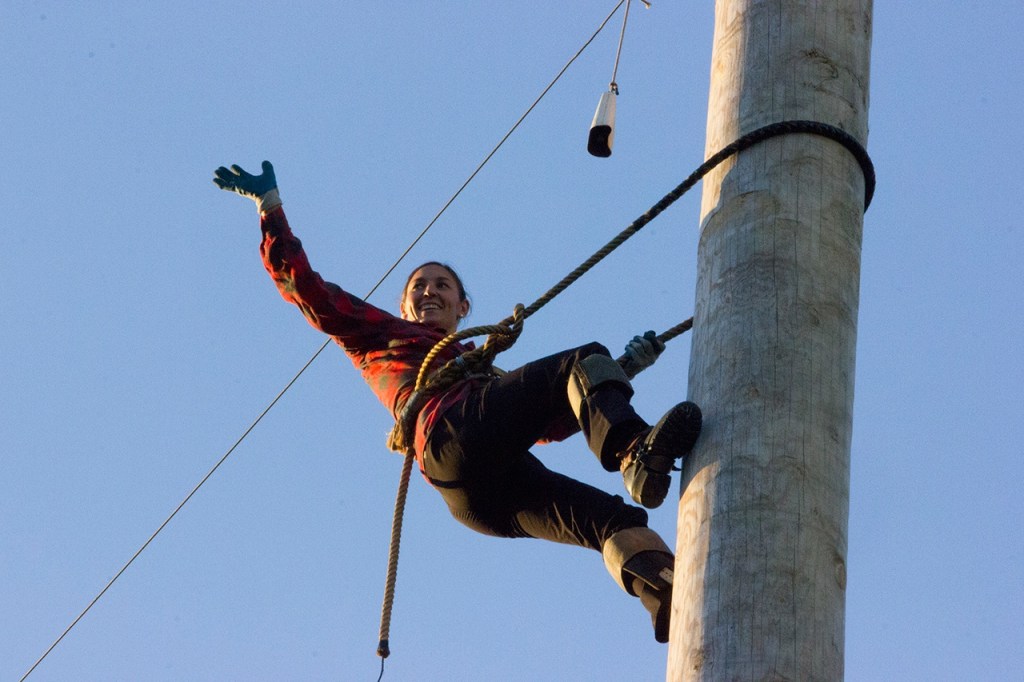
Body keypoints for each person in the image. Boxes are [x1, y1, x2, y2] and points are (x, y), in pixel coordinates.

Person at [213, 160, 702, 643]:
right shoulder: (380, 335)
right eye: (418, 287)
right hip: (450, 437)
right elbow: (310, 292)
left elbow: (552, 424)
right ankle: (634, 455)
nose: (429, 292)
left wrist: (624, 368)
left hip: (478, 495)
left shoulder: (482, 372)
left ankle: (668, 596)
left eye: (441, 285)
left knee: (612, 520)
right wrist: (271, 210)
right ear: (404, 306)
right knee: (584, 359)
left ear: (462, 307)